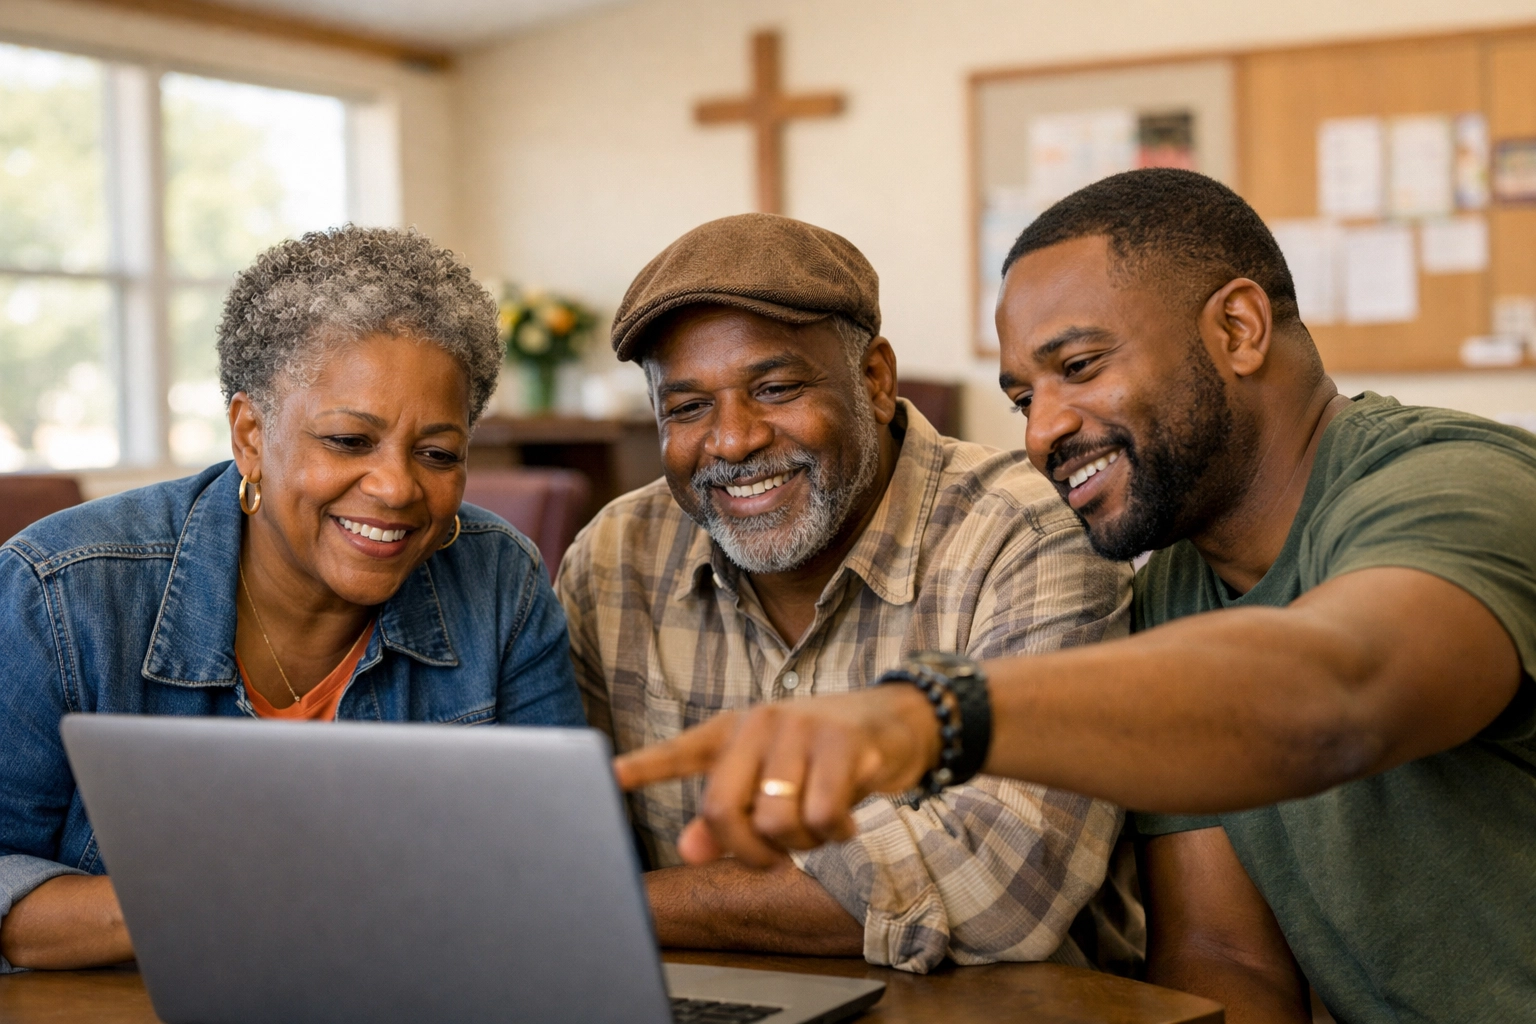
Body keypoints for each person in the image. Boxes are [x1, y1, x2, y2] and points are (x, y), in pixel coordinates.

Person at [614, 171, 1536, 1022]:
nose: (1044, 429)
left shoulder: (1457, 484)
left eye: (1082, 366)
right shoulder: (1180, 579)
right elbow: (1227, 960)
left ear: (1240, 329)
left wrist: (922, 716)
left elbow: (1340, 693)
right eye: (1023, 397)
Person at [556, 213, 1139, 974]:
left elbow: (1000, 883)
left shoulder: (1028, 535)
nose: (733, 440)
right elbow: (562, 836)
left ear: (875, 380)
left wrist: (605, 902)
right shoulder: (616, 558)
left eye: (775, 387)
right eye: (688, 407)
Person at [0, 226, 585, 973]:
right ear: (249, 434)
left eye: (438, 454)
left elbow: (564, 870)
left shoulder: (500, 579)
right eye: (348, 440)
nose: (397, 488)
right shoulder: (60, 592)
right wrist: (235, 897)